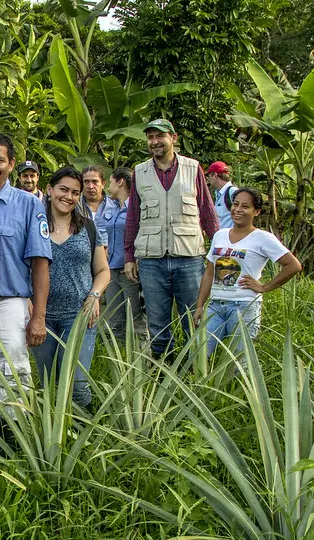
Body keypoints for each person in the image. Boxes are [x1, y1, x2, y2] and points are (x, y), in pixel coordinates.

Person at [0, 133, 52, 419]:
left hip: (6, 306)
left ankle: (17, 451)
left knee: (11, 383)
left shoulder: (27, 205)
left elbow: (40, 264)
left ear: (11, 164)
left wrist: (38, 317)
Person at [122, 118, 220, 359]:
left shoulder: (192, 168)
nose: (155, 141)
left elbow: (207, 211)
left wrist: (218, 253)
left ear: (173, 138)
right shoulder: (140, 172)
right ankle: (162, 374)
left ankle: (196, 374)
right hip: (151, 261)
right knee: (157, 324)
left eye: (160, 136)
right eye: (150, 137)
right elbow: (133, 216)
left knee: (194, 319)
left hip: (189, 258)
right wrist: (129, 257)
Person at [32, 168, 110, 407]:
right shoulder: (33, 226)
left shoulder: (87, 227)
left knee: (76, 385)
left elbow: (103, 271)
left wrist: (95, 295)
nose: (68, 196)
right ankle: (50, 436)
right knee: (47, 384)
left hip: (79, 316)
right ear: (49, 189)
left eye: (75, 192)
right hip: (41, 317)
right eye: (63, 189)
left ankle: (82, 436)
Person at [193, 187, 302, 355]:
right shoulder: (220, 235)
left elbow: (293, 265)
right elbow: (209, 272)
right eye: (235, 204)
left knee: (240, 362)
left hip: (243, 306)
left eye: (245, 206)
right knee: (199, 355)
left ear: (256, 211)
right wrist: (200, 305)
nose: (238, 210)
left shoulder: (263, 238)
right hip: (215, 305)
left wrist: (264, 287)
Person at [99, 167, 144, 340]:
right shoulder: (115, 208)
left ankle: (143, 358)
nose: (108, 187)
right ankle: (115, 359)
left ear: (120, 182)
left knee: (136, 317)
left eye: (110, 182)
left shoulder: (136, 207)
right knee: (114, 318)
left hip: (129, 269)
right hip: (112, 268)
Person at [78, 165, 112, 254]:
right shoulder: (74, 205)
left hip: (110, 259)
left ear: (103, 183)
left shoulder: (115, 205)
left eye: (95, 182)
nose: (90, 186)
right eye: (86, 182)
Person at [205, 161, 238, 229]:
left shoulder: (232, 192)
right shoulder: (218, 194)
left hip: (231, 237)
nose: (208, 179)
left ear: (215, 175)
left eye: (208, 176)